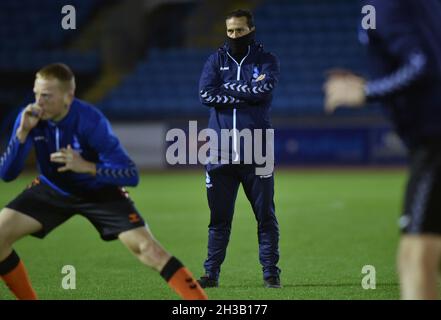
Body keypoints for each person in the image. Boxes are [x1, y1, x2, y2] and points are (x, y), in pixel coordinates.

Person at [0, 63, 208, 300]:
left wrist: (86, 167)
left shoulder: (91, 121)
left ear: (68, 96)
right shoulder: (30, 117)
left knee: (149, 250)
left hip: (99, 192)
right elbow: (7, 174)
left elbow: (130, 174)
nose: (38, 102)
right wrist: (22, 134)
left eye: (46, 96)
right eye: (36, 93)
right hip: (52, 188)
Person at [324, 0, 441, 299]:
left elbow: (422, 64)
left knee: (415, 255)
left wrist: (365, 91)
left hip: (435, 140)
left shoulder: (385, 6)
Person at [197, 9, 281, 288]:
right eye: (230, 31)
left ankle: (271, 274)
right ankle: (211, 274)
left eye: (240, 31)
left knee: (265, 216)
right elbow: (206, 94)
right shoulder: (215, 60)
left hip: (257, 152)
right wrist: (245, 91)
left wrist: (229, 88)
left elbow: (264, 90)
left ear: (251, 30)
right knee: (218, 219)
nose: (234, 35)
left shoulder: (266, 60)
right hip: (219, 154)